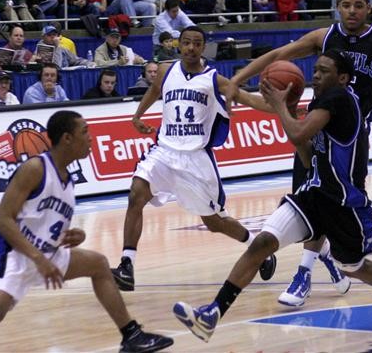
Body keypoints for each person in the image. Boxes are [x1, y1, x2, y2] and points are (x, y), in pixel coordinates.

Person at [173, 50, 372, 343]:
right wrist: (287, 110)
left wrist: (281, 107)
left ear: (342, 78)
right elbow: (306, 155)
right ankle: (212, 314)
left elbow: (299, 133)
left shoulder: (340, 99)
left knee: (352, 266)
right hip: (314, 195)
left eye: (324, 71)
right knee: (262, 243)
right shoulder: (321, 102)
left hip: (344, 203)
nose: (316, 75)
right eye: (315, 69)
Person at [223, 0, 372, 308]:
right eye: (346, 5)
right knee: (309, 198)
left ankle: (313, 268)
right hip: (318, 126)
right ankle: (308, 271)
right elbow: (278, 56)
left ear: (368, 9)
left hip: (351, 138)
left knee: (330, 200)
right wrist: (237, 80)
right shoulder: (324, 36)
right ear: (338, 7)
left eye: (358, 5)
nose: (352, 11)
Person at [0, 110, 174, 353]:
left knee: (98, 264)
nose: (91, 137)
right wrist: (39, 259)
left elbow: (40, 223)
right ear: (67, 138)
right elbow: (3, 220)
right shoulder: (35, 168)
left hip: (44, 254)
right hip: (12, 254)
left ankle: (131, 335)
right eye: (85, 132)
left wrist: (74, 235)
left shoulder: (67, 180)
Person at [109, 26, 277, 292]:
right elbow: (155, 90)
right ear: (179, 45)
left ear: (203, 47)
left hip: (195, 159)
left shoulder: (214, 80)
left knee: (214, 223)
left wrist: (283, 109)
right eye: (186, 42)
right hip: (164, 151)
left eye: (196, 43)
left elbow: (248, 99)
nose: (190, 48)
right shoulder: (165, 71)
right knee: (136, 194)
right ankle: (126, 266)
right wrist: (138, 115)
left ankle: (259, 248)